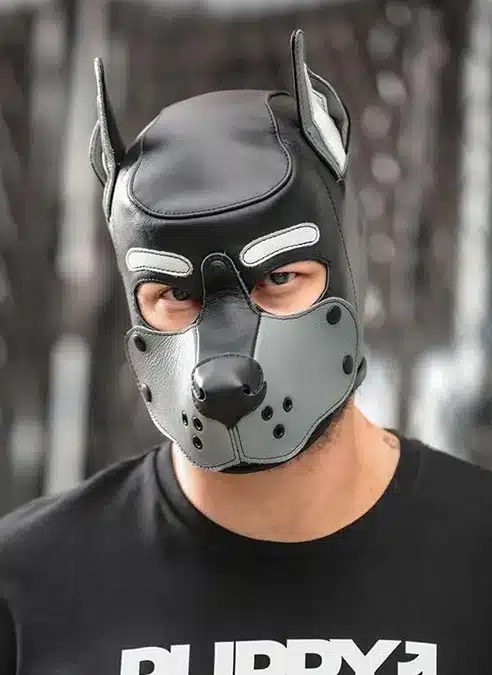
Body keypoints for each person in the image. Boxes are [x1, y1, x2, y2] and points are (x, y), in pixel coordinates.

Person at [1, 29, 491, 675]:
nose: (226, 361)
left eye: (278, 278)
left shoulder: (477, 561)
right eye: (175, 293)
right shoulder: (26, 589)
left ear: (348, 276)